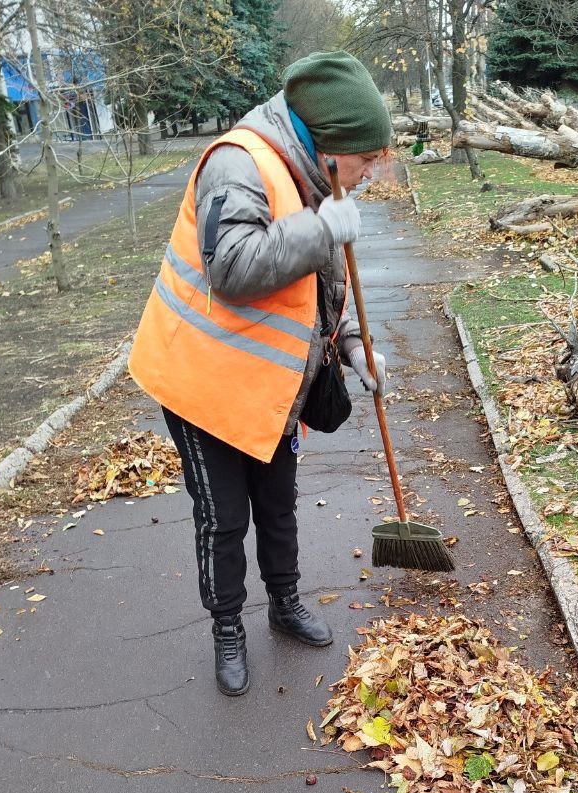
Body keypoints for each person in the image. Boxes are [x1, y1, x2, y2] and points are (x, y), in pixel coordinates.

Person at [128, 52, 393, 696]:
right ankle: (227, 629)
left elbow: (323, 283)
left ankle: (284, 602)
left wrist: (354, 346)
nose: (366, 177)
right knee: (223, 517)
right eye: (364, 163)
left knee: (277, 505)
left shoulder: (311, 176)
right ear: (331, 147)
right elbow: (234, 270)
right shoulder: (238, 162)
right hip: (202, 384)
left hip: (266, 386)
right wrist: (320, 226)